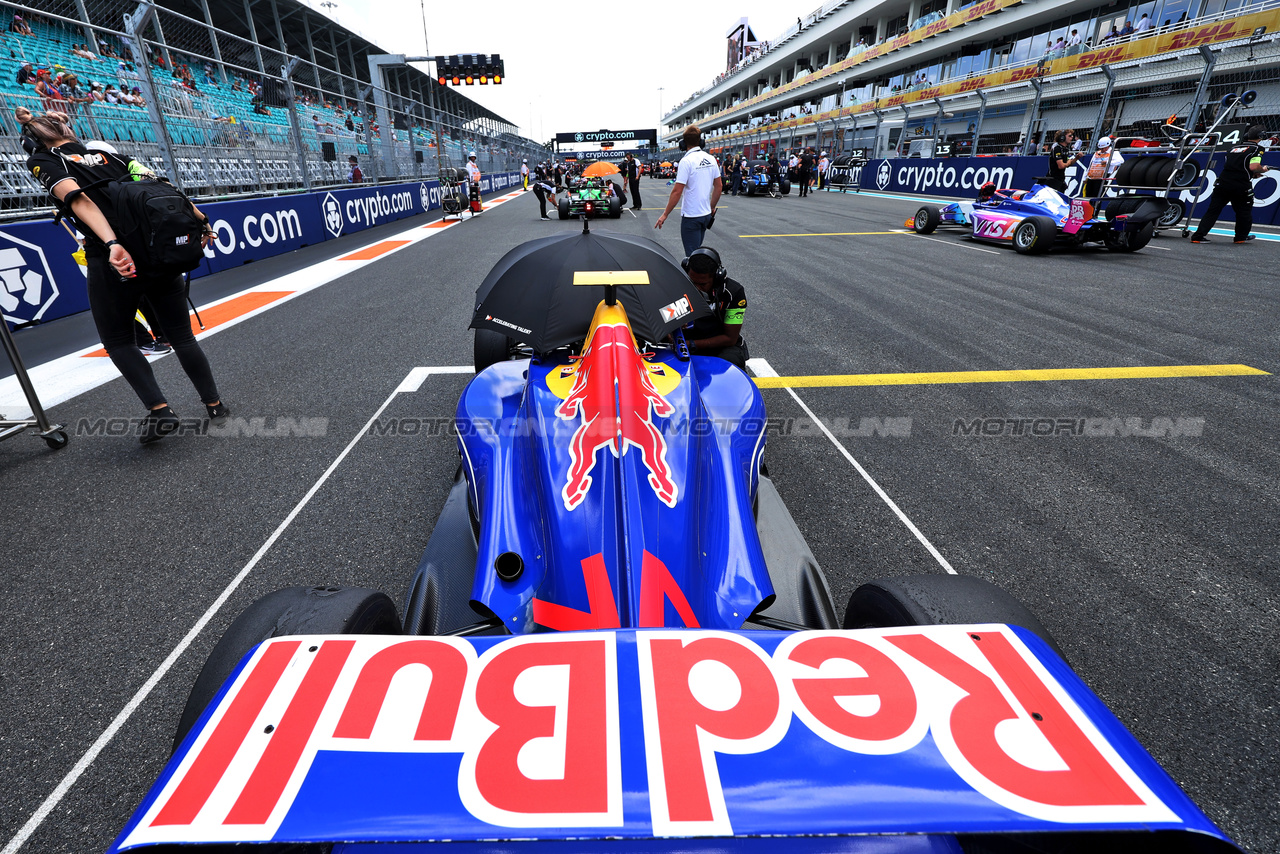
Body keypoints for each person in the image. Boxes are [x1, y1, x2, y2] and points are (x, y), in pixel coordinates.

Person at [18, 107, 227, 443]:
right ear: (70, 131)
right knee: (182, 335)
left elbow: (78, 200)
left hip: (113, 259)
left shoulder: (45, 160)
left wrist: (113, 243)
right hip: (159, 254)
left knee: (117, 341)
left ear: (33, 143)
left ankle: (160, 411)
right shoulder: (107, 154)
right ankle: (215, 406)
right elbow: (163, 188)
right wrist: (202, 220)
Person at [1191, 125, 1271, 244]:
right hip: (1240, 185)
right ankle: (1240, 237)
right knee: (1243, 212)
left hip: (1223, 183)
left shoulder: (1233, 148)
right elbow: (1253, 166)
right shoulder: (1257, 149)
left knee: (1213, 211)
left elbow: (1236, 166)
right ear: (1261, 136)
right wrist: (1263, 169)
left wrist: (1251, 174)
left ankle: (1198, 236)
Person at [655, 125, 722, 257]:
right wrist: (712, 207)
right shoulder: (711, 159)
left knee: (692, 258)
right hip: (706, 214)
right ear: (700, 142)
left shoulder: (686, 161)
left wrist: (665, 214)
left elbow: (676, 191)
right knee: (697, 253)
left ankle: (694, 278)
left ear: (683, 143)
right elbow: (719, 186)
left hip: (691, 216)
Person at [679, 246, 748, 371]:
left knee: (731, 366)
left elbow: (730, 338)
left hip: (720, 346)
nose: (697, 288)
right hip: (683, 343)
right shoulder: (676, 286)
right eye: (692, 282)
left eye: (702, 284)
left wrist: (691, 344)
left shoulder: (734, 293)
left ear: (717, 277)